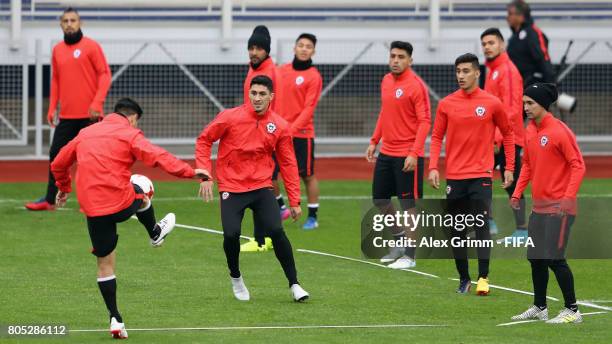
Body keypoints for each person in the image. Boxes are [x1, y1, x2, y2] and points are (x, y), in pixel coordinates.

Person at [51, 98, 209, 339]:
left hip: (92, 206)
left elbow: (59, 162)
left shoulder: (85, 132)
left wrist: (64, 187)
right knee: (143, 186)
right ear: (133, 118)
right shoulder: (129, 134)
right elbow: (158, 156)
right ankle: (155, 233)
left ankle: (115, 318)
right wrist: (189, 172)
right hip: (119, 201)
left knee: (105, 263)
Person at [196, 75, 309, 302]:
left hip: (261, 187)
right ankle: (236, 278)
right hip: (232, 186)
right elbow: (204, 139)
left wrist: (294, 201)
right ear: (248, 93)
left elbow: (288, 163)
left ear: (271, 97)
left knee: (276, 232)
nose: (257, 98)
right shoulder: (229, 117)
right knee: (231, 234)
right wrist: (204, 172)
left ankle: (295, 284)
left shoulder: (279, 126)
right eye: (254, 93)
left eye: (262, 94)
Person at [428, 53, 515, 295]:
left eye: (466, 71)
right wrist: (433, 166)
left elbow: (508, 134)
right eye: (458, 71)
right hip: (454, 176)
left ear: (477, 73)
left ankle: (483, 277)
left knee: (481, 226)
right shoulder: (446, 104)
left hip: (481, 175)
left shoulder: (491, 103)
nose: (461, 76)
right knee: (456, 230)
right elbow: (436, 137)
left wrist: (509, 167)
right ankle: (464, 279)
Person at [510, 83, 585, 324]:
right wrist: (517, 193)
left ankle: (572, 311)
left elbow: (578, 165)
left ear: (543, 104)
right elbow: (529, 165)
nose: (526, 108)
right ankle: (540, 307)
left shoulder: (560, 131)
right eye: (524, 103)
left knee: (554, 258)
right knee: (536, 258)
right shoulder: (530, 130)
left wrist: (567, 197)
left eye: (530, 103)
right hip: (538, 209)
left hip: (560, 209)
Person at [25, 7, 111, 211]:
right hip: (67, 116)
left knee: (91, 160)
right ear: (61, 24)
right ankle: (50, 199)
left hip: (90, 116)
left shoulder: (91, 46)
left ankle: (93, 201)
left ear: (80, 23)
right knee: (56, 156)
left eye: (73, 20)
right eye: (66, 21)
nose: (70, 24)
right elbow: (55, 80)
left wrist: (97, 103)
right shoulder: (57, 50)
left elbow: (105, 75)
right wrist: (52, 107)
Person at [365, 41, 431, 269]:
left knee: (408, 205)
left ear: (410, 60)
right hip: (387, 152)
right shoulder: (386, 81)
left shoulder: (416, 86)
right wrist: (374, 140)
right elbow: (385, 112)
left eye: (401, 57)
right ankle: (400, 240)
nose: (395, 60)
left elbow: (425, 121)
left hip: (407, 155)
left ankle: (410, 256)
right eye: (392, 56)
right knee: (380, 199)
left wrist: (414, 153)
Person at [273, 33, 323, 230]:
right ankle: (281, 208)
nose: (304, 49)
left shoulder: (314, 76)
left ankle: (312, 217)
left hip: (302, 135)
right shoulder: (280, 70)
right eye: (300, 45)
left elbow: (309, 108)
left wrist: (290, 130)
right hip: (277, 133)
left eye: (308, 46)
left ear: (313, 51)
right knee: (269, 173)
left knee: (307, 175)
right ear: (294, 48)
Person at [481, 27, 527, 238]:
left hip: (506, 137)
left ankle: (521, 230)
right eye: (484, 44)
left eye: (491, 43)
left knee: (511, 181)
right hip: (496, 137)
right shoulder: (494, 70)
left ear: (501, 44)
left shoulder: (506, 70)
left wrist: (498, 138)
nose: (487, 47)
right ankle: (490, 224)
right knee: (483, 178)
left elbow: (510, 109)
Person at [240, 25, 281, 252]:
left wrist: (268, 134)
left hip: (264, 136)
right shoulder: (254, 69)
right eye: (251, 48)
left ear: (266, 51)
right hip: (252, 133)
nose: (254, 52)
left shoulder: (268, 73)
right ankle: (262, 237)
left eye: (258, 48)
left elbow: (272, 107)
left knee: (262, 186)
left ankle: (263, 238)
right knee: (259, 185)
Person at [506, 0, 555, 86]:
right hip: (516, 84)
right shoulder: (514, 37)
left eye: (510, 14)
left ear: (521, 16)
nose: (507, 17)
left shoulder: (533, 33)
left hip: (531, 85)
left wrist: (550, 86)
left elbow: (544, 59)